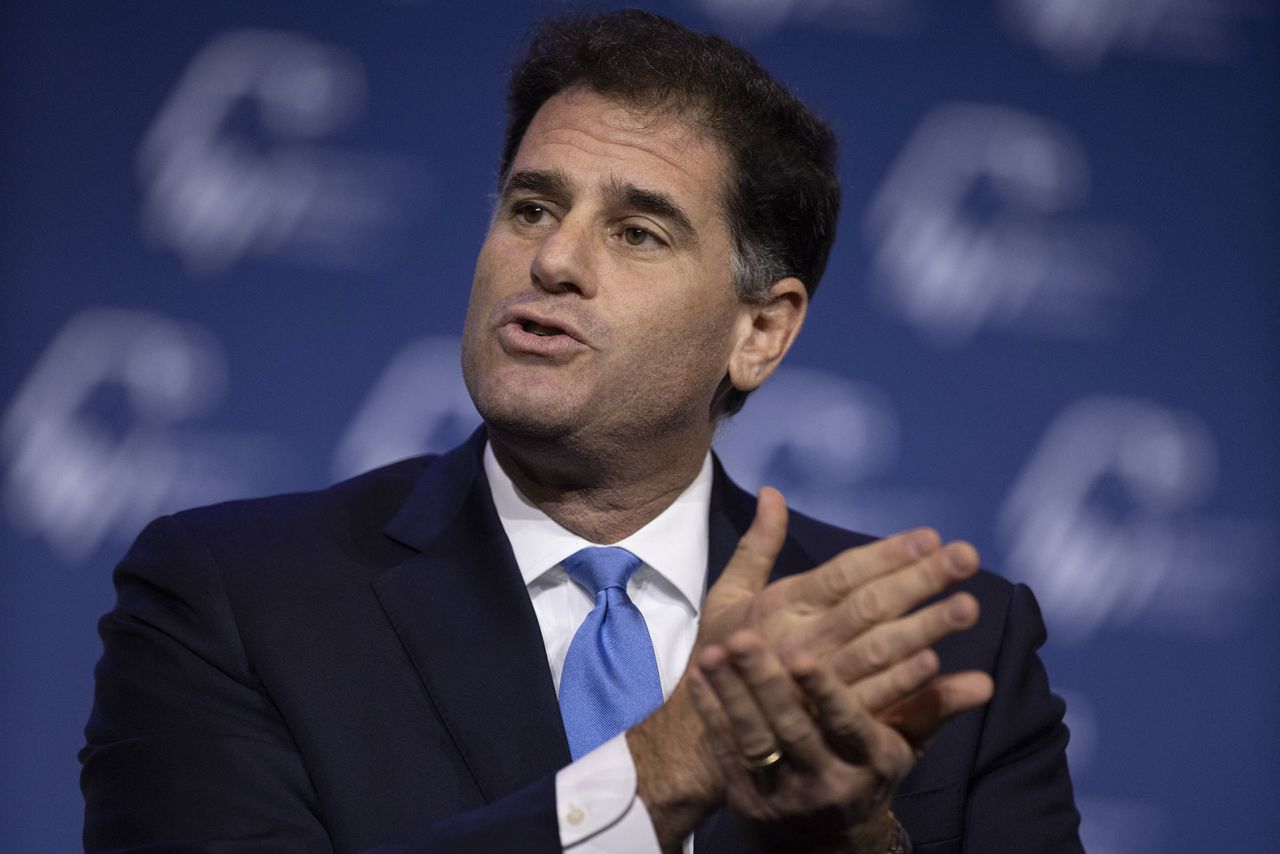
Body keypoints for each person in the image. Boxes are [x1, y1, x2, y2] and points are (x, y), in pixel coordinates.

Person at [81, 10, 1082, 853]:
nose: (552, 259)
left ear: (760, 331)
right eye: (529, 206)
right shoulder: (232, 597)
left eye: (637, 231)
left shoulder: (940, 650)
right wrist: (668, 763)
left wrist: (856, 834)